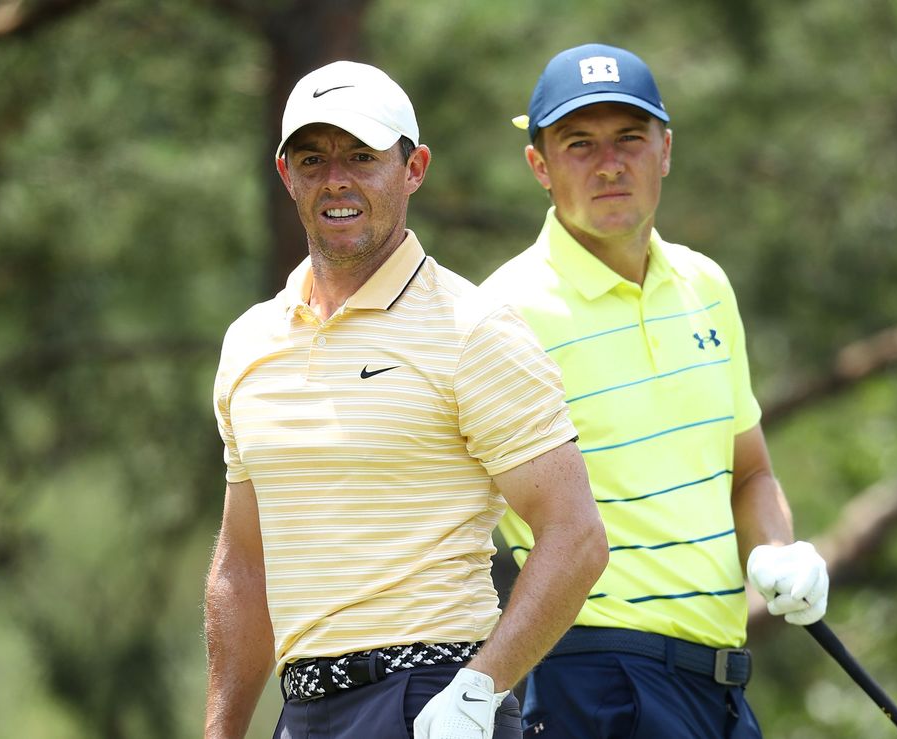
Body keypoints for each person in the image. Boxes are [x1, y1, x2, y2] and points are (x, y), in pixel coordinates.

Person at [203, 60, 608, 739]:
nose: (337, 179)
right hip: (301, 711)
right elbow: (243, 568)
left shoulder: (473, 328)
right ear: (286, 176)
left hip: (432, 699)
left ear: (414, 167)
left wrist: (481, 686)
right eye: (313, 158)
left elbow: (576, 535)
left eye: (362, 156)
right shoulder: (250, 345)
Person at [482, 44, 831, 738]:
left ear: (665, 149)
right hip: (594, 678)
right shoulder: (503, 314)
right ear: (539, 166)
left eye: (630, 139)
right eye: (579, 144)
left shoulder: (706, 286)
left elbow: (751, 470)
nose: (609, 163)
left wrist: (774, 549)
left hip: (721, 680)